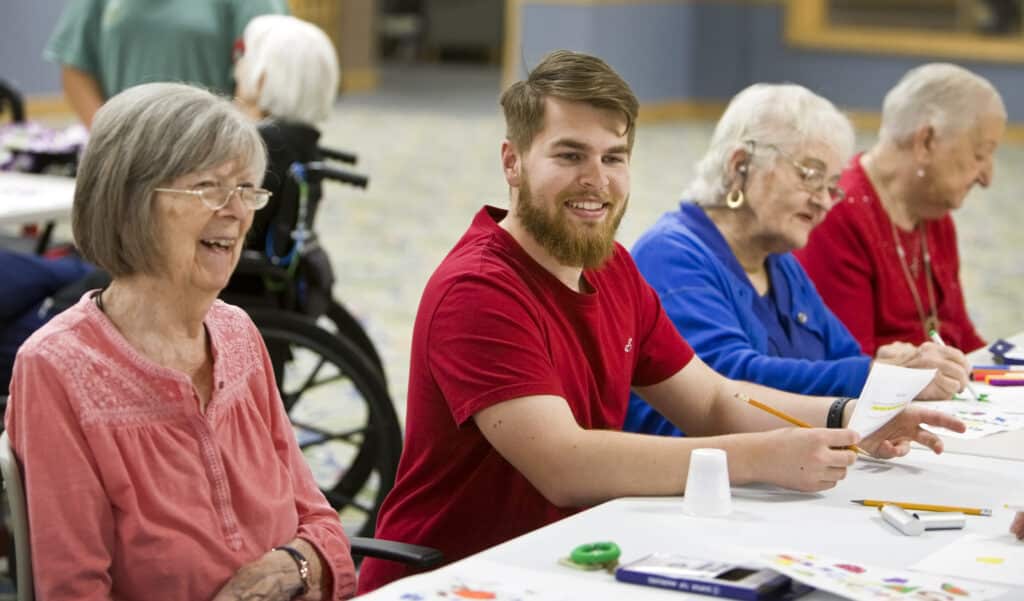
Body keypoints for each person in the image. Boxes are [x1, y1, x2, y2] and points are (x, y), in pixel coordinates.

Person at [356, 50, 965, 592]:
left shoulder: (613, 267)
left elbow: (712, 400)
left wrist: (853, 419)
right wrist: (764, 457)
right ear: (512, 162)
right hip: (459, 576)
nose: (597, 180)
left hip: (570, 560)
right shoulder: (480, 289)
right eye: (569, 155)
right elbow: (565, 465)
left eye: (614, 157)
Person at [5, 83, 355, 600]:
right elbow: (74, 590)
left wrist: (294, 567)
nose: (236, 211)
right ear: (130, 202)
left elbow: (321, 524)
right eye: (210, 187)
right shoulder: (59, 367)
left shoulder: (236, 333)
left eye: (246, 190)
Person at [624, 84, 972, 437]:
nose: (823, 200)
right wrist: (873, 375)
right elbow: (725, 384)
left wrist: (890, 369)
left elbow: (843, 355)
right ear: (739, 165)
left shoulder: (779, 263)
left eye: (832, 185)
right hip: (692, 481)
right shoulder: (671, 255)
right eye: (810, 175)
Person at [796, 63, 1006, 356]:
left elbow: (962, 339)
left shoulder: (933, 214)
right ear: (926, 141)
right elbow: (850, 369)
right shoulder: (837, 214)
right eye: (980, 155)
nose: (987, 178)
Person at [229, 14, 340, 317]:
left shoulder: (265, 143)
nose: (235, 66)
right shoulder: (298, 139)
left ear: (265, 76)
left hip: (236, 276)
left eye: (243, 56)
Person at [43, 0, 287, 127]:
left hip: (210, 159)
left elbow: (267, 81)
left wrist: (226, 157)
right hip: (125, 157)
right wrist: (108, 140)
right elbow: (75, 66)